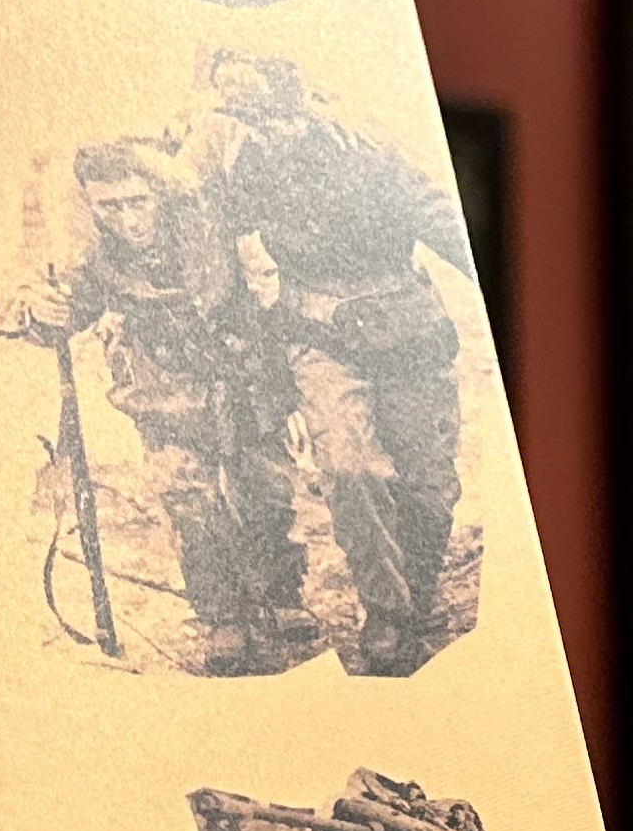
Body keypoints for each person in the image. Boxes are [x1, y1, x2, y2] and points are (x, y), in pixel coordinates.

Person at [184, 49, 476, 674]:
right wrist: (231, 322)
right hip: (319, 332)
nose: (269, 132)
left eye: (275, 117)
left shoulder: (369, 147)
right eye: (251, 118)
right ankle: (388, 613)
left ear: (303, 105)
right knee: (348, 466)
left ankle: (414, 595)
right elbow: (201, 221)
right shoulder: (236, 159)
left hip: (404, 323)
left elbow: (440, 215)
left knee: (427, 484)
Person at [0, 135, 303, 672]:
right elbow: (68, 313)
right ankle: (221, 617)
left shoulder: (209, 219)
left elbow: (267, 277)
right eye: (109, 206)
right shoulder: (94, 253)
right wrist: (40, 311)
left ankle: (277, 595)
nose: (128, 219)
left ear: (158, 190)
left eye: (137, 201)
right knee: (188, 499)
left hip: (243, 376)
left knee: (266, 489)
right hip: (165, 390)